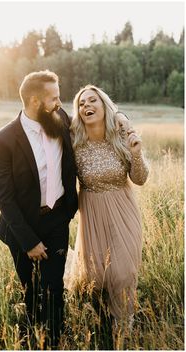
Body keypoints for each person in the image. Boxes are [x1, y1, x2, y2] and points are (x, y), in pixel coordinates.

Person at [0, 70, 78, 349]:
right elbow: (4, 197)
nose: (59, 103)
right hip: (22, 227)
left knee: (54, 288)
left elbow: (95, 123)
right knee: (32, 290)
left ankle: (56, 340)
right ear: (36, 101)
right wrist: (29, 241)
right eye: (54, 98)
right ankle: (32, 340)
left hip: (57, 219)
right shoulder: (2, 141)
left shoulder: (60, 120)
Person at [69, 85, 149, 331]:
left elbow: (140, 178)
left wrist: (136, 154)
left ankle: (123, 328)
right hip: (92, 213)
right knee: (95, 277)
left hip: (123, 211)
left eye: (93, 101)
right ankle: (96, 318)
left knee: (122, 273)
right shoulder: (74, 141)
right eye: (81, 104)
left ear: (104, 106)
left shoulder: (121, 136)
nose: (86, 107)